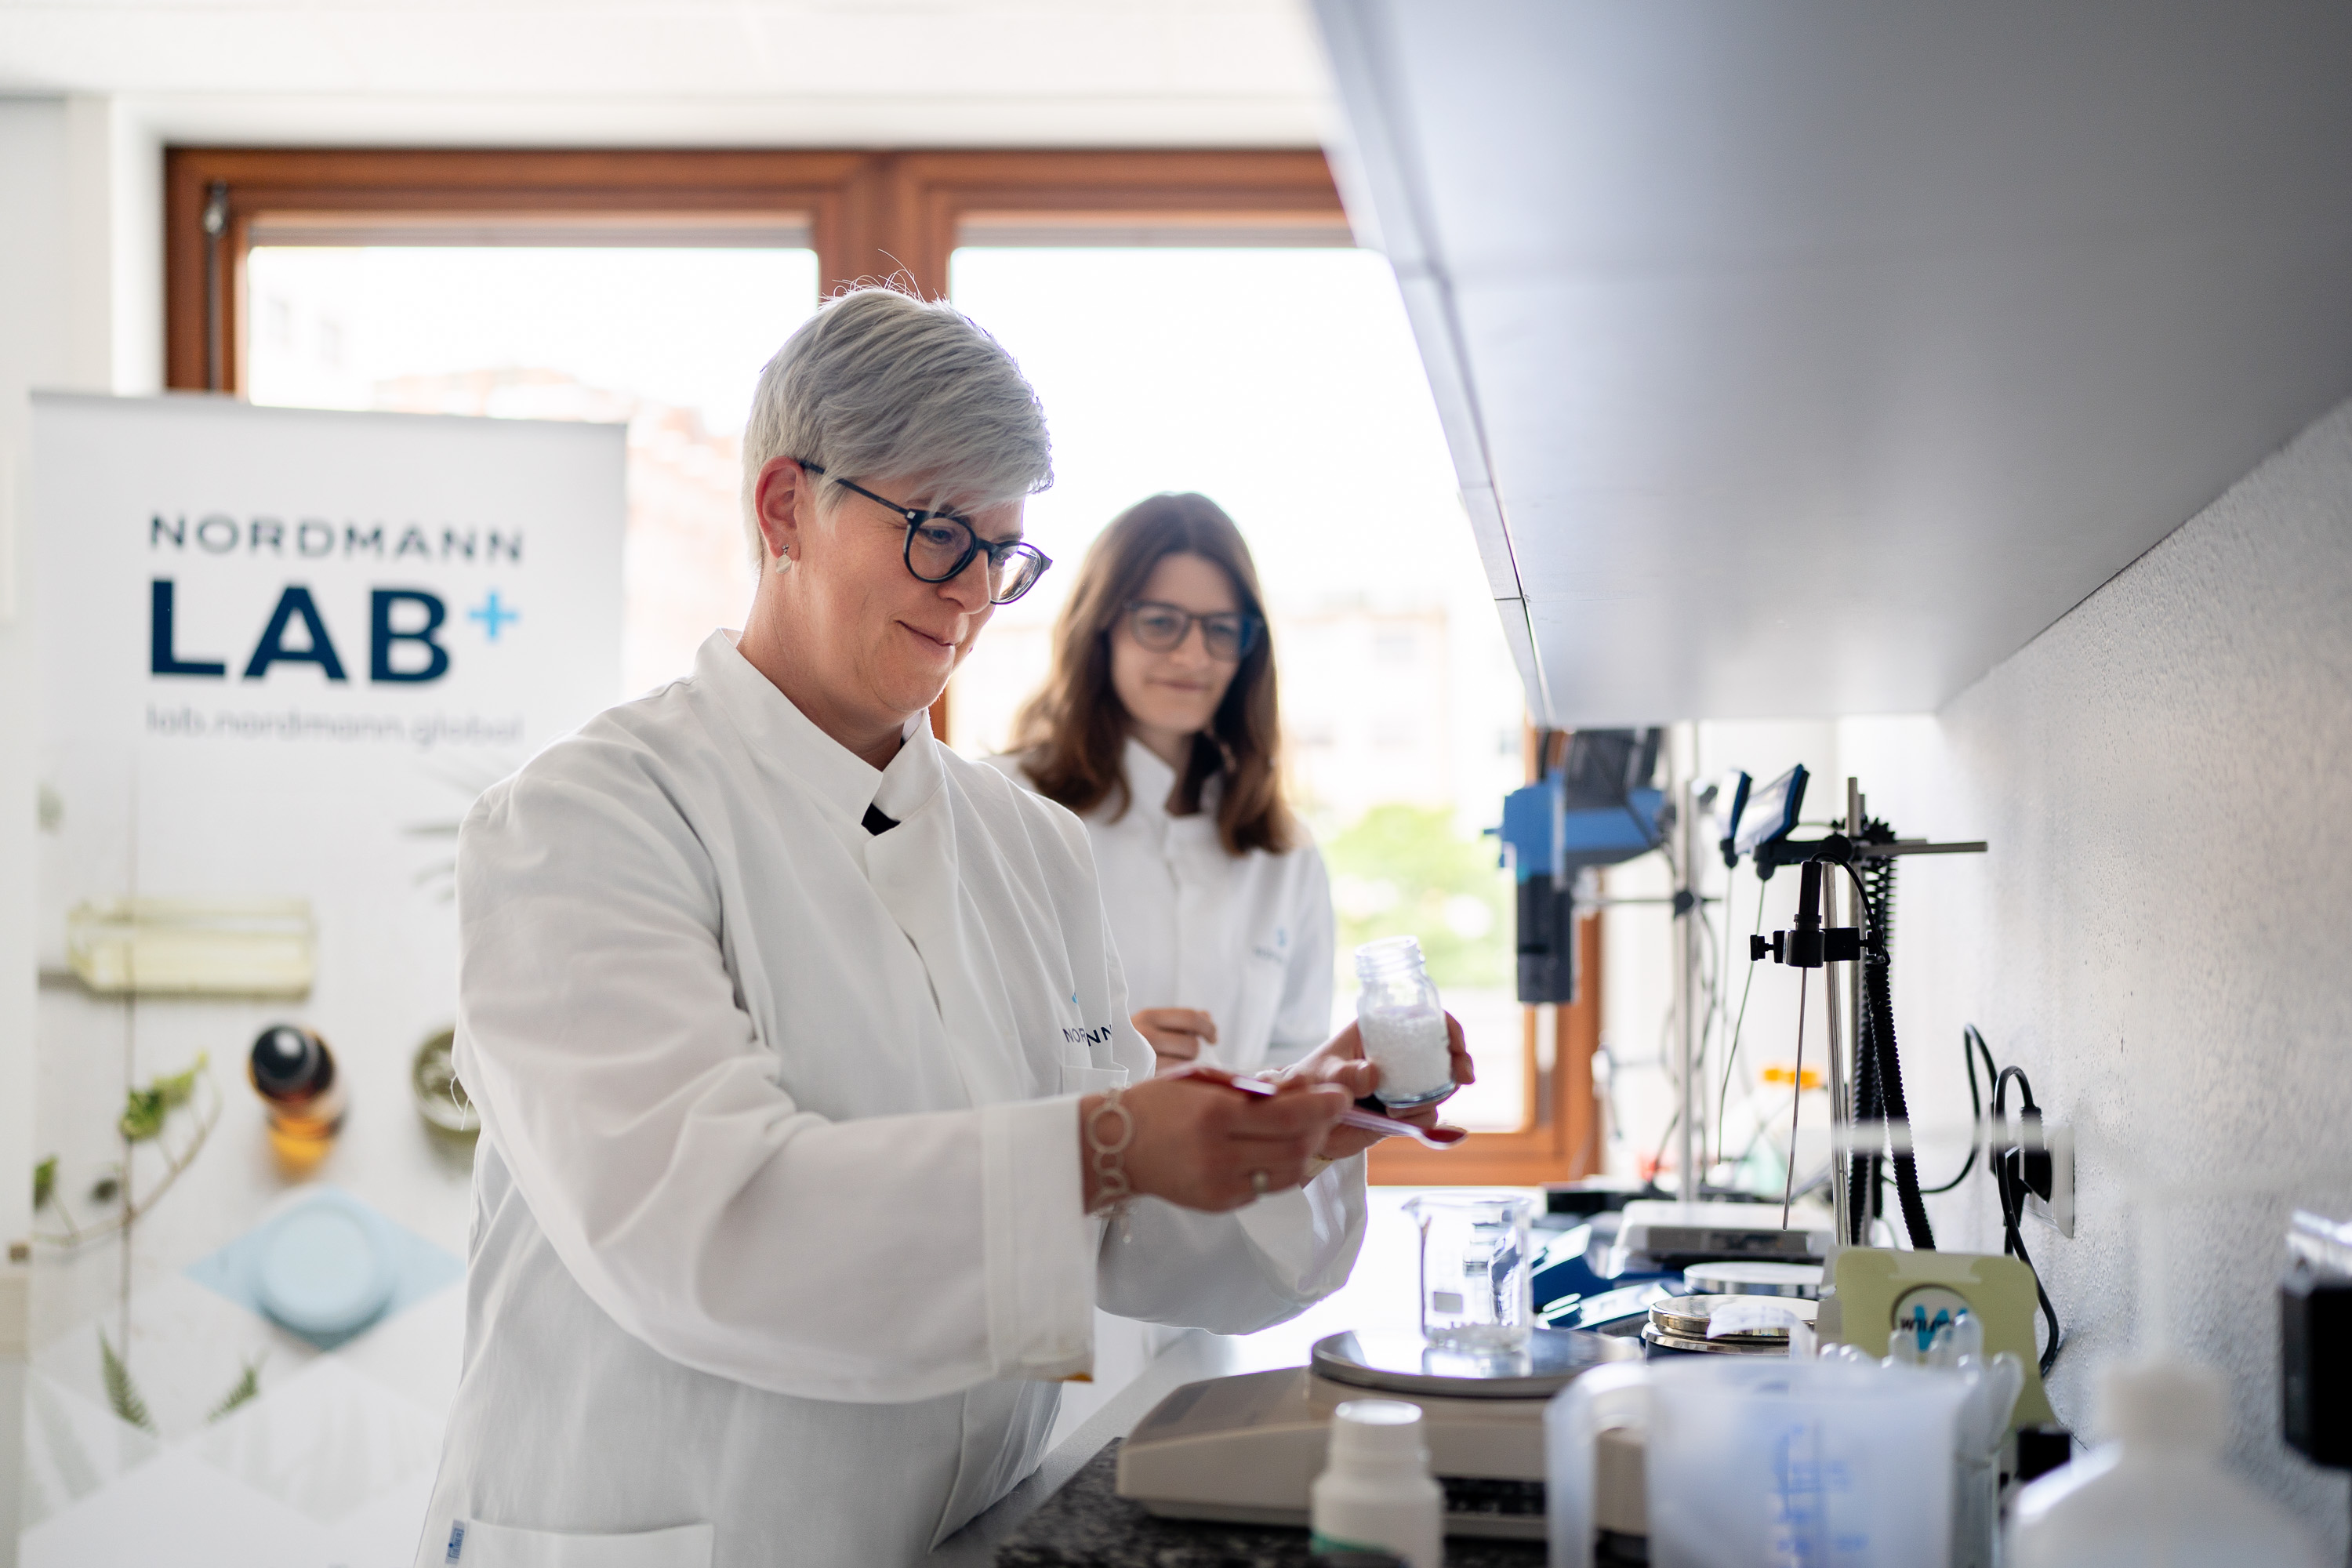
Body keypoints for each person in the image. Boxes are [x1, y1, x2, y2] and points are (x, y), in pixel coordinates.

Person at [412, 288, 1464, 1568]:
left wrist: (1291, 1129)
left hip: (964, 1530)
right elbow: (705, 1229)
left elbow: (1121, 1230)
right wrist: (1110, 1141)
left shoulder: (1025, 846)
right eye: (934, 533)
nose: (971, 592)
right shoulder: (589, 820)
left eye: (1003, 552)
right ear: (784, 507)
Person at [991, 494, 1336, 1078]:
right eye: (1160, 623)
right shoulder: (1005, 808)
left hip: (1241, 1172)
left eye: (1221, 630)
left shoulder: (1284, 851)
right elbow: (960, 1052)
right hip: (1069, 1167)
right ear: (1100, 627)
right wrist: (1107, 1056)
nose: (1193, 655)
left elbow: (1297, 1062)